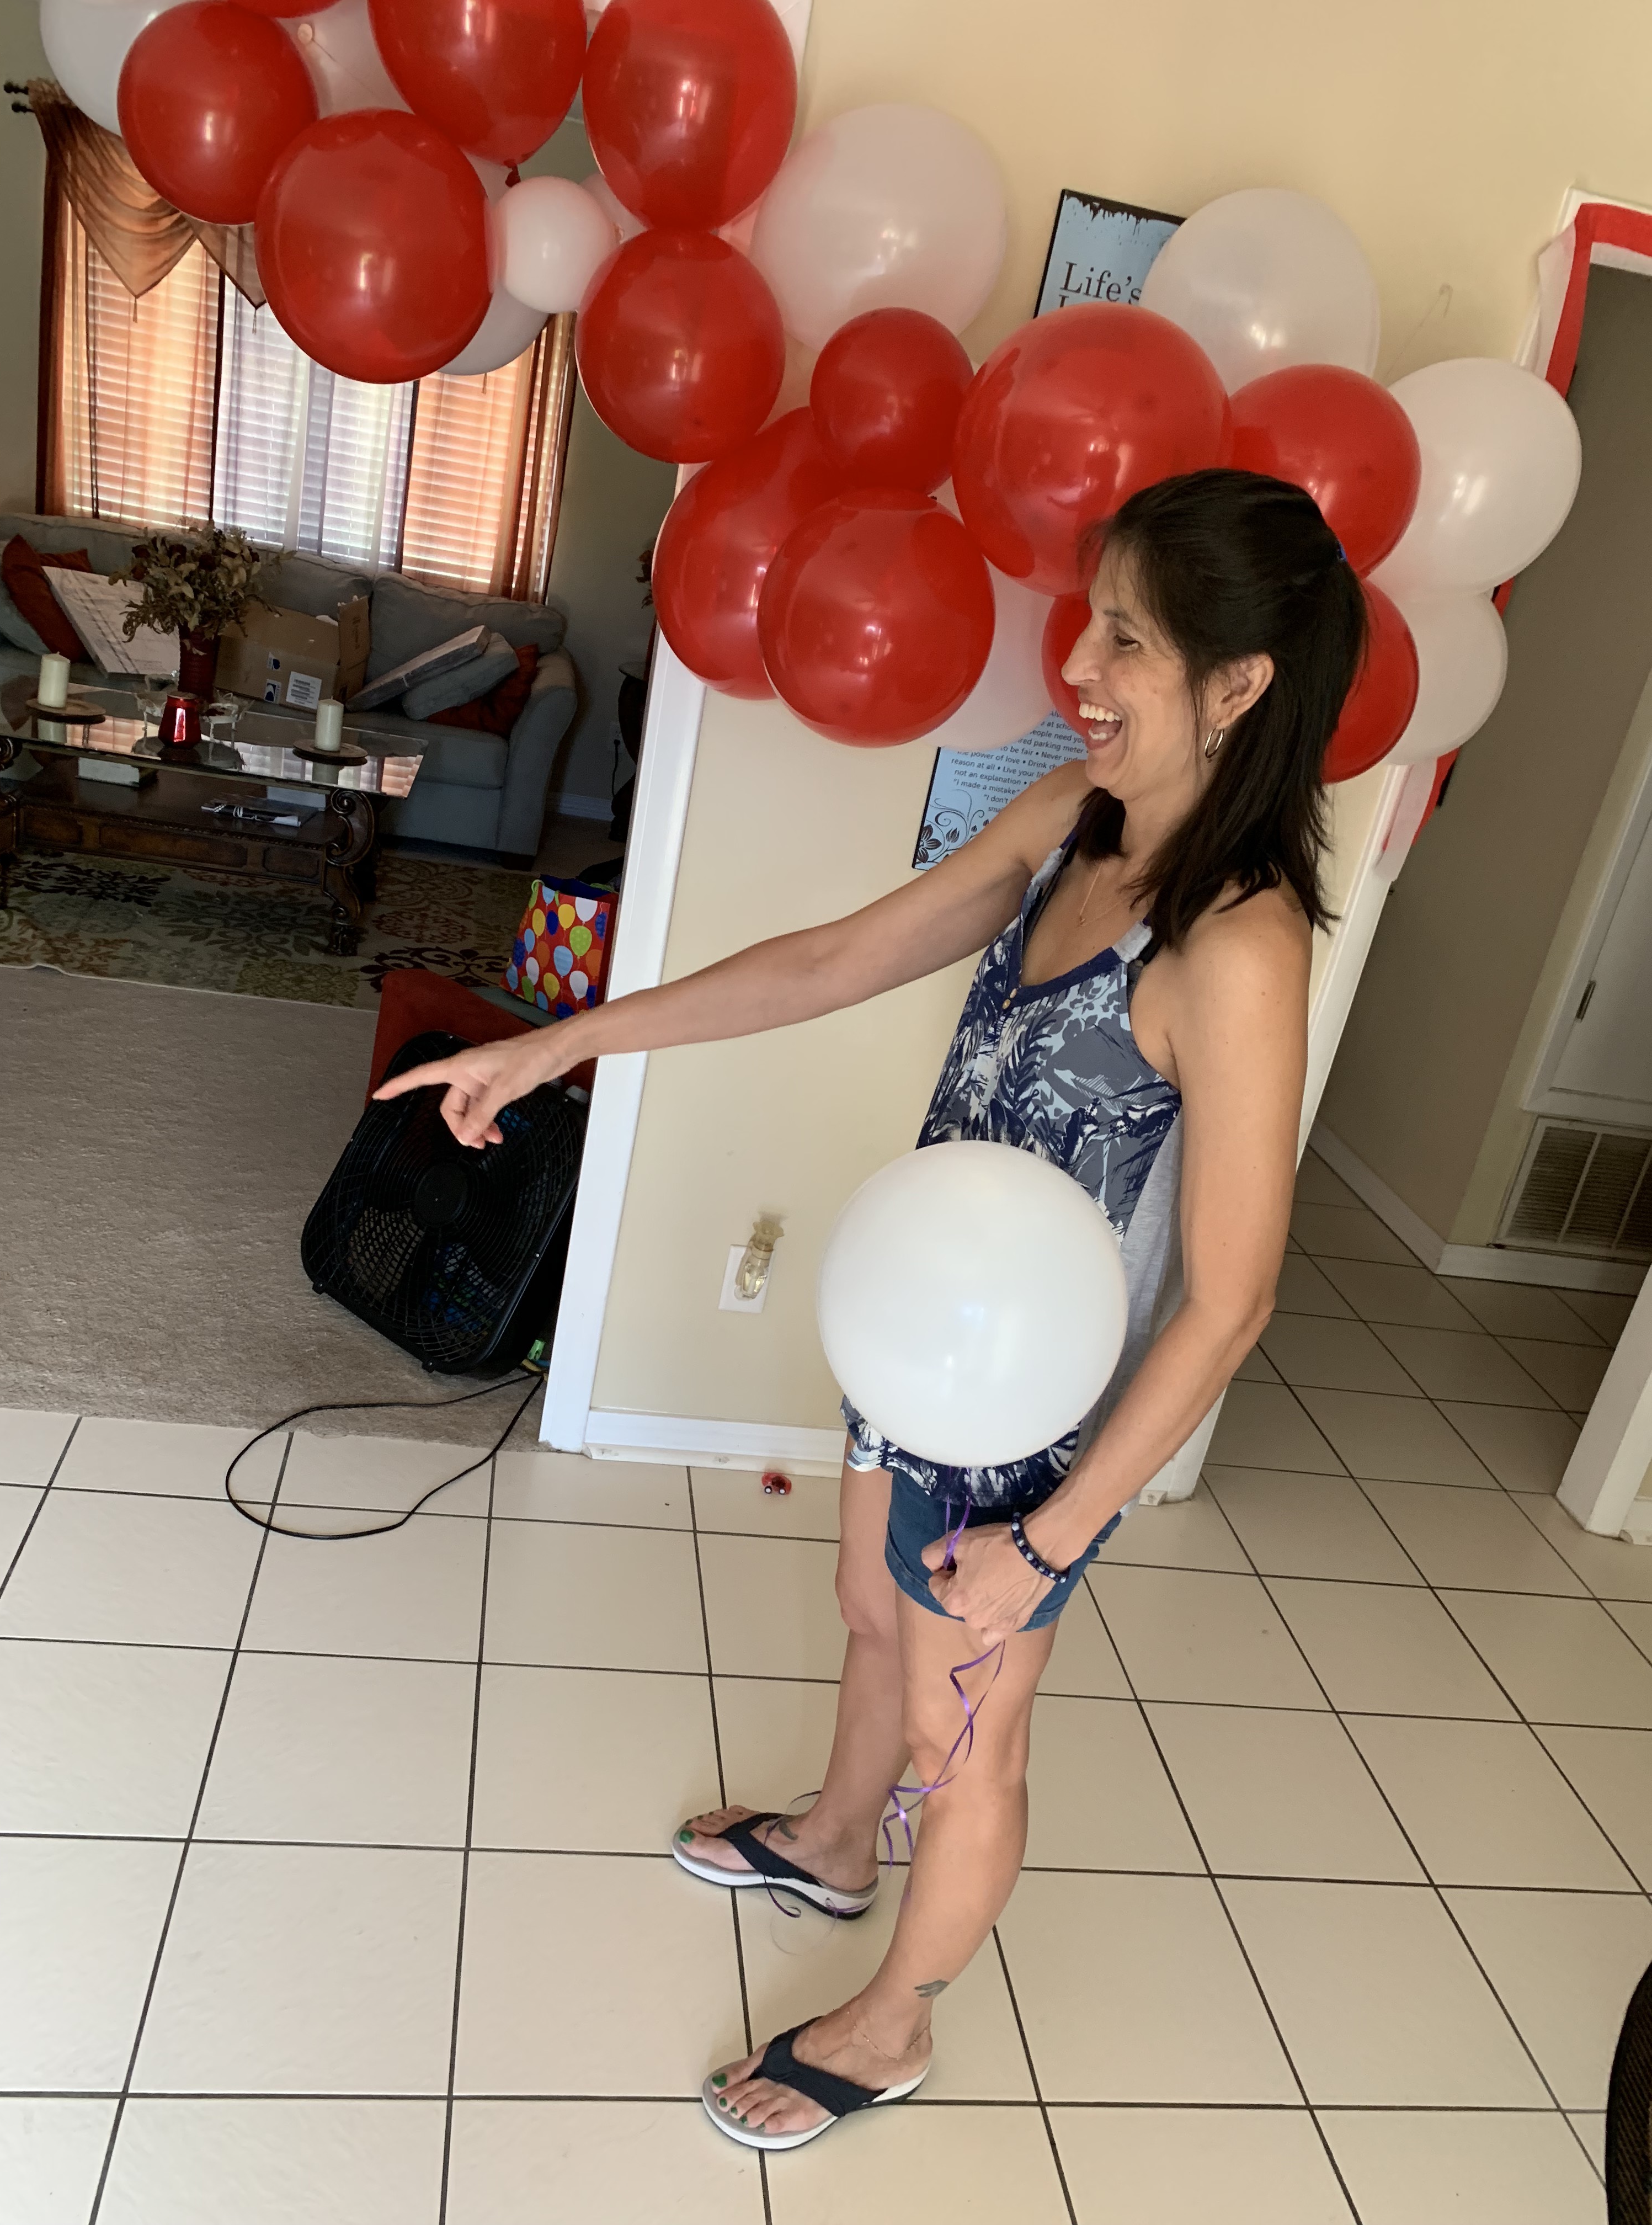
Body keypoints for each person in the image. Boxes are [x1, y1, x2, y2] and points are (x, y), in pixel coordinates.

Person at [377, 467, 1367, 2152]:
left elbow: (1233, 1297)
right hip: (915, 1339)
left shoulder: (1239, 945)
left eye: (1128, 640)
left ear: (1240, 683)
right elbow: (833, 959)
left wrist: (1048, 1541)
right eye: (1093, 624)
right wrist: (563, 1046)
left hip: (1032, 1435)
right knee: (865, 1604)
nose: (1080, 668)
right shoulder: (1076, 812)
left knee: (965, 1738)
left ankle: (894, 2020)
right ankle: (838, 1844)